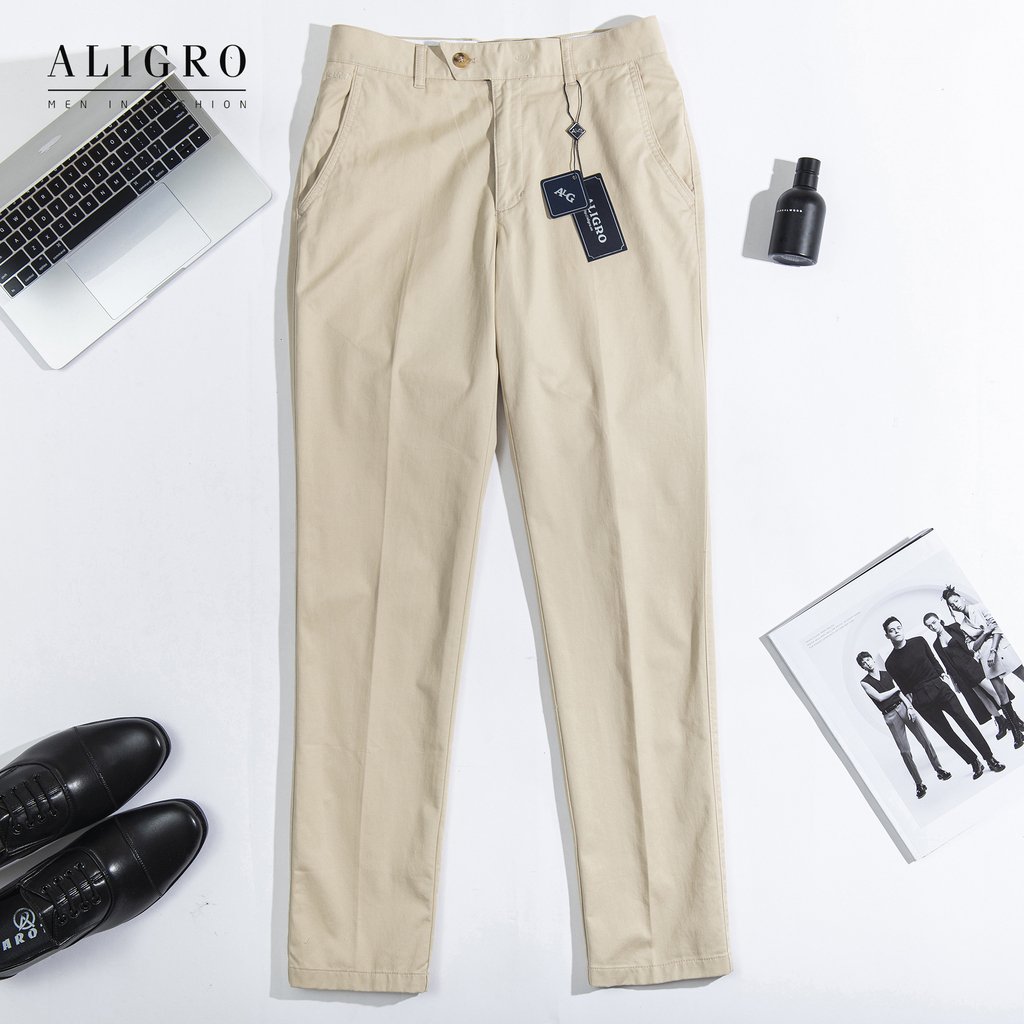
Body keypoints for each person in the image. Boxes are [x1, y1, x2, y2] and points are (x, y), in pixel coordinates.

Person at [882, 616, 1005, 778]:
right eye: (892, 630)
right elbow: (903, 687)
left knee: (965, 722)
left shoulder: (919, 641)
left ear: (902, 628)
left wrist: (942, 676)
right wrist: (912, 703)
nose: (897, 631)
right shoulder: (890, 662)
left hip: (939, 688)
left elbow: (933, 660)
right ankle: (974, 762)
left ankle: (989, 758)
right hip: (921, 699)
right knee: (947, 734)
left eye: (898, 627)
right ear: (887, 635)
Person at [857, 651, 951, 798]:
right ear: (863, 667)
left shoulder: (887, 673)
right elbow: (880, 697)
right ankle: (919, 784)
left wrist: (910, 708)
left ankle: (939, 769)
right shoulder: (865, 682)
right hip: (890, 715)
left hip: (903, 707)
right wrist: (896, 688)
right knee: (905, 751)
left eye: (868, 659)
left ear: (872, 660)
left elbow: (901, 694)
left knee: (925, 741)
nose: (867, 663)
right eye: (864, 663)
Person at [924, 611, 1023, 748]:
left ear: (939, 620)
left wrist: (978, 655)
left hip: (973, 666)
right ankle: (1001, 721)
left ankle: (1015, 721)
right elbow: (946, 664)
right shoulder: (936, 644)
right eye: (929, 626)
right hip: (961, 675)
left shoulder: (954, 627)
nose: (933, 627)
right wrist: (954, 682)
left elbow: (971, 642)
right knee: (983, 698)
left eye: (934, 623)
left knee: (995, 693)